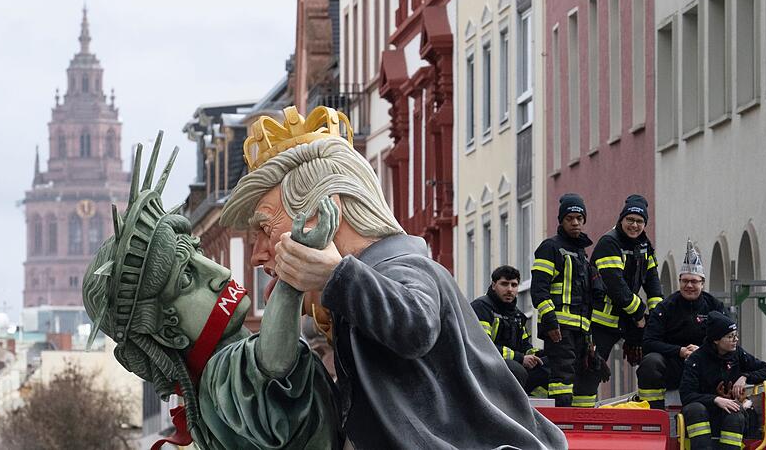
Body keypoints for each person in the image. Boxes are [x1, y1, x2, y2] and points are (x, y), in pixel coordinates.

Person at [219, 106, 566, 449]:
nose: (257, 254)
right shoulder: (359, 292)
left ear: (324, 211)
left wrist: (334, 274)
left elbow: (416, 326)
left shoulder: (403, 267)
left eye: (266, 228)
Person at [82, 133, 343, 449]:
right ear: (168, 332)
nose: (220, 274)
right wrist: (292, 275)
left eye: (199, 255)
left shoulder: (219, 374)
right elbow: (274, 361)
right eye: (186, 278)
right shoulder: (220, 377)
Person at [585, 195, 663, 403]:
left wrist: (657, 317)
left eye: (639, 221)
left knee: (652, 360)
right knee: (591, 369)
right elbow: (615, 285)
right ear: (621, 219)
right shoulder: (609, 242)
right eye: (630, 220)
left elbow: (653, 281)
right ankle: (583, 414)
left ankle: (651, 408)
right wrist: (640, 313)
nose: (634, 225)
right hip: (602, 322)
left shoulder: (644, 245)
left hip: (628, 318)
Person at [530, 193, 600, 408]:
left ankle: (583, 424)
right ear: (561, 220)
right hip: (559, 328)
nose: (575, 223)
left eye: (579, 218)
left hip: (581, 329)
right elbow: (539, 289)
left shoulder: (581, 253)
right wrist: (550, 321)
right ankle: (562, 423)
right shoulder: (550, 247)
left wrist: (589, 334)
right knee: (562, 377)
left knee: (584, 376)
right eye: (570, 218)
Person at [637, 239, 725, 409]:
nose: (689, 285)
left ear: (702, 283)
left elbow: (728, 340)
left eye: (694, 281)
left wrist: (703, 351)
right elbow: (649, 342)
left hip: (705, 366)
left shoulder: (715, 306)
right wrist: (680, 351)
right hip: (673, 365)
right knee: (650, 362)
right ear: (679, 282)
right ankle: (654, 411)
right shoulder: (665, 307)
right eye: (685, 281)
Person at [680, 311, 766, 449]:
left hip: (730, 414)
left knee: (735, 415)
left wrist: (745, 376)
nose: (735, 339)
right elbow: (687, 395)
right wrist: (716, 399)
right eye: (730, 336)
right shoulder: (696, 359)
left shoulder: (738, 354)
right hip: (703, 412)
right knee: (695, 409)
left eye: (736, 335)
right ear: (716, 340)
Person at [471, 265, 549, 396]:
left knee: (550, 365)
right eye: (504, 284)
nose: (509, 289)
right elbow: (483, 346)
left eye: (514, 285)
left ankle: (533, 404)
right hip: (483, 366)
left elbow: (525, 346)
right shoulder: (481, 308)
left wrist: (539, 355)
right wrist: (520, 358)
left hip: (511, 363)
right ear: (493, 285)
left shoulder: (517, 315)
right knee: (516, 370)